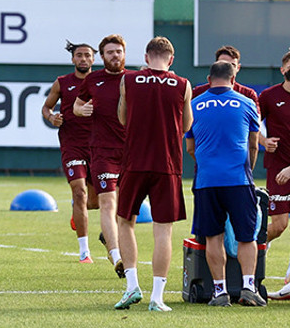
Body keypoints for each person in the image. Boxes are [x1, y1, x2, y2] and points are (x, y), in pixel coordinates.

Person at [113, 36, 193, 312]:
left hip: (134, 161)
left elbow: (122, 117)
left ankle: (132, 285)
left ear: (146, 57)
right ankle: (156, 298)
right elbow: (186, 124)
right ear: (171, 60)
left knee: (125, 222)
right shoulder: (182, 84)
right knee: (163, 231)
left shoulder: (129, 80)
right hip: (167, 164)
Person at [186, 61, 265, 306]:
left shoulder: (194, 104)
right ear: (233, 79)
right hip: (239, 180)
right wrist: (247, 171)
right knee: (246, 236)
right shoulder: (247, 103)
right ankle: (248, 287)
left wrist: (208, 162)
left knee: (213, 237)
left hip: (207, 181)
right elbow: (254, 145)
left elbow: (190, 147)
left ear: (209, 79)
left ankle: (219, 292)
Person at [74, 34, 129, 275]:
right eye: (110, 52)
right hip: (102, 151)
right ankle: (116, 255)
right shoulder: (93, 80)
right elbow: (76, 105)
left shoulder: (135, 79)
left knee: (127, 208)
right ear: (102, 56)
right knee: (107, 202)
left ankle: (110, 238)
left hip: (130, 151)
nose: (114, 55)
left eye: (118, 51)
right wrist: (81, 109)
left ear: (124, 54)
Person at [41, 40, 99, 262]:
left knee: (94, 202)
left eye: (87, 55)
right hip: (71, 146)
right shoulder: (62, 82)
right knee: (79, 192)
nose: (83, 59)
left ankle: (78, 212)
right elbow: (46, 107)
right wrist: (51, 117)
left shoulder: (102, 81)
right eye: (79, 55)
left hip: (98, 146)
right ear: (73, 59)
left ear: (94, 59)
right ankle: (84, 251)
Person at [258, 50, 290, 295]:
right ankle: (253, 251)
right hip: (277, 168)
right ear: (283, 71)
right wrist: (263, 141)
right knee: (280, 225)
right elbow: (251, 125)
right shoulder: (268, 96)